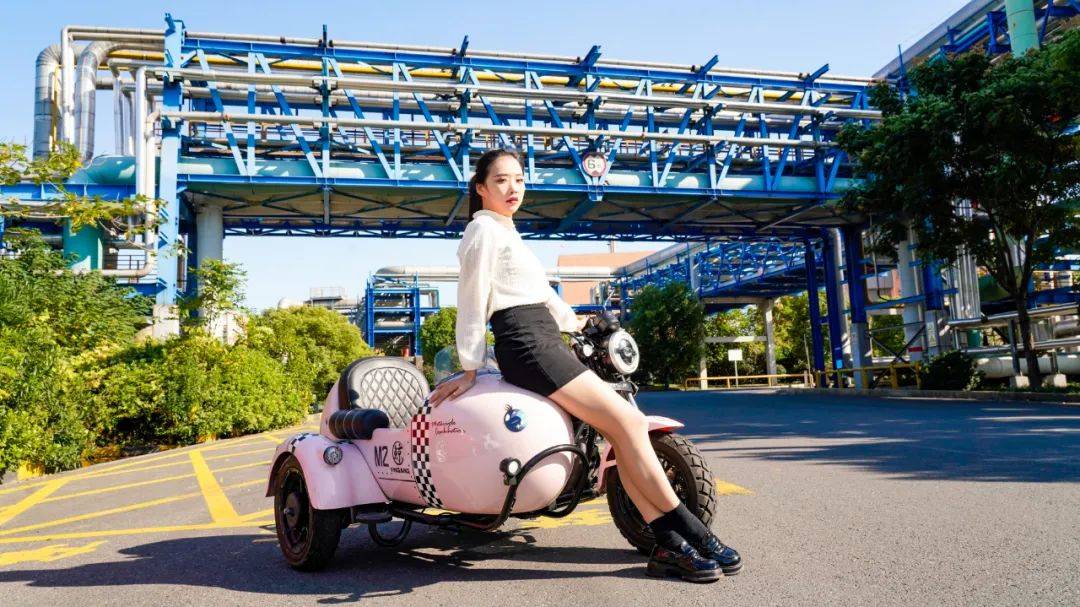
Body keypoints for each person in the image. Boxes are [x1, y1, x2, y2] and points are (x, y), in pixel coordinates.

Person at [427, 148, 741, 582]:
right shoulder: (481, 230)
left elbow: (542, 295)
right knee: (629, 423)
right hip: (526, 344)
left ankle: (668, 544)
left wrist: (575, 321)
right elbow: (471, 298)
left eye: (519, 179)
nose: (513, 187)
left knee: (621, 432)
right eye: (501, 180)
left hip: (544, 338)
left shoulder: (508, 232)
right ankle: (695, 532)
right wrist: (470, 366)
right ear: (481, 188)